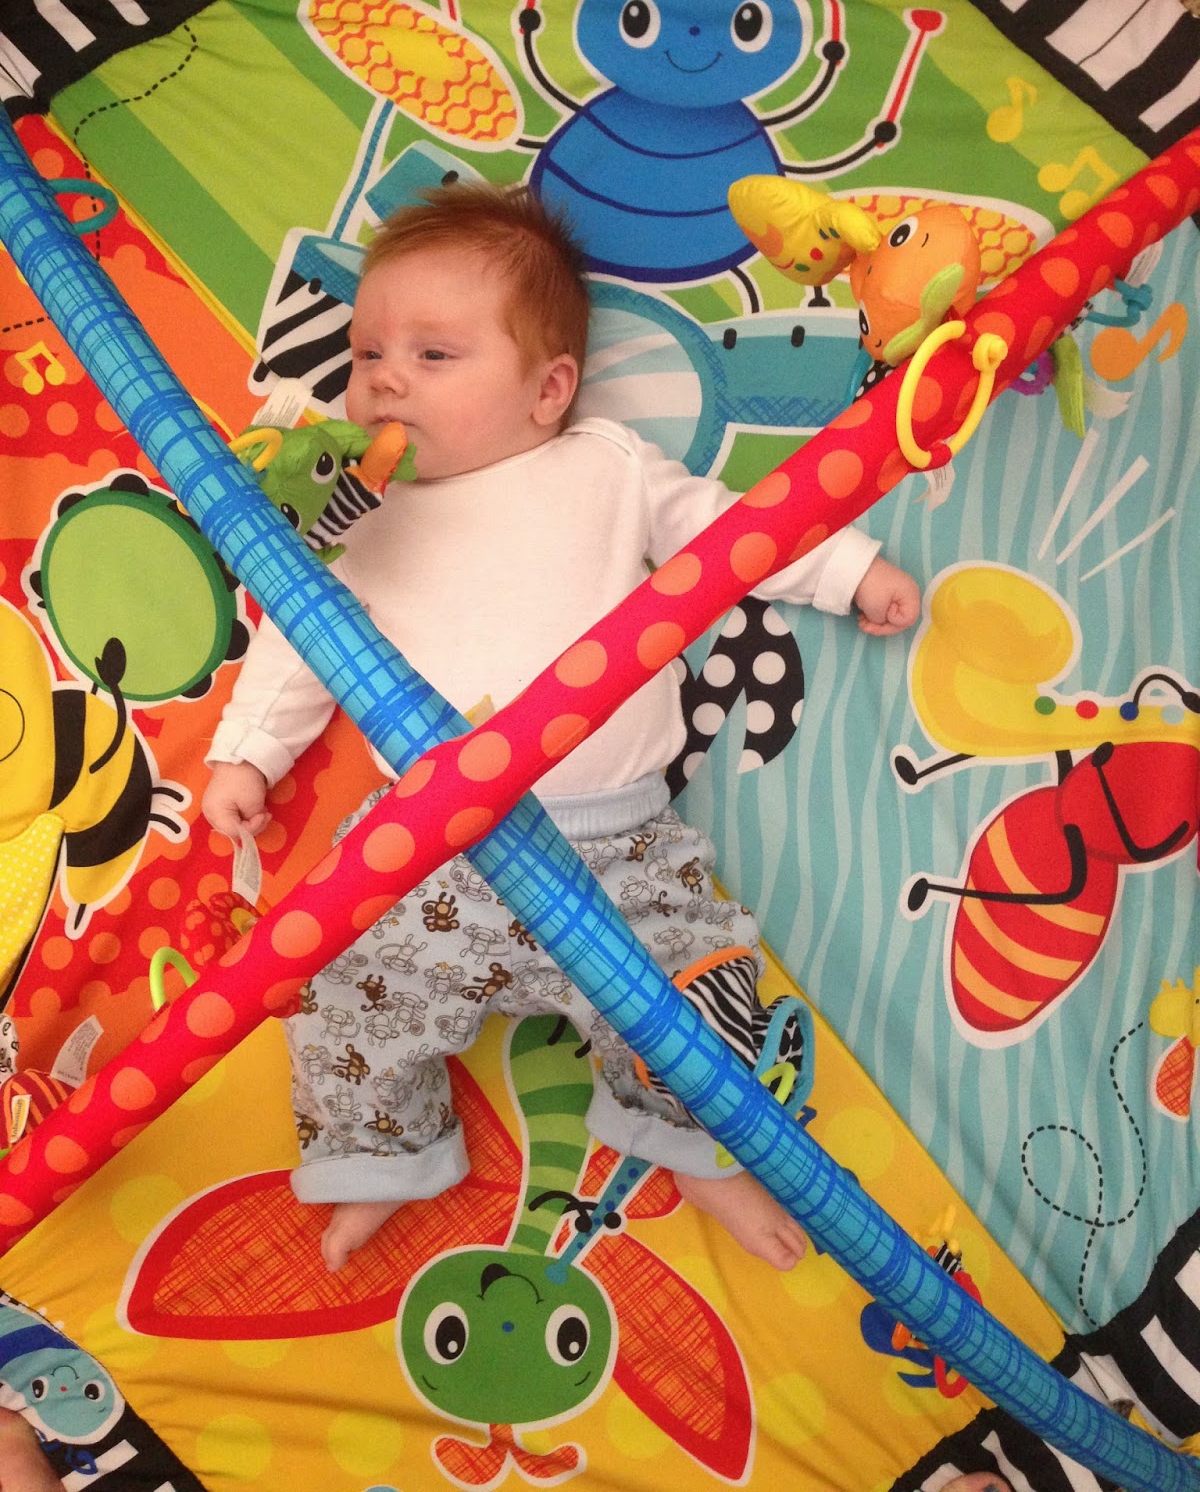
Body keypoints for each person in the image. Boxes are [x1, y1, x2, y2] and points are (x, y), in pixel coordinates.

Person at [203, 181, 921, 1276]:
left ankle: (692, 1145)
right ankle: (382, 1154)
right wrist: (246, 753)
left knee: (703, 996)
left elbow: (733, 534)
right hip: (426, 853)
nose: (384, 377)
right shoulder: (359, 513)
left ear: (548, 390)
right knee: (337, 991)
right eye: (367, 352)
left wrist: (847, 570)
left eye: (434, 355)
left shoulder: (604, 466)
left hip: (619, 849)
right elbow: (302, 635)